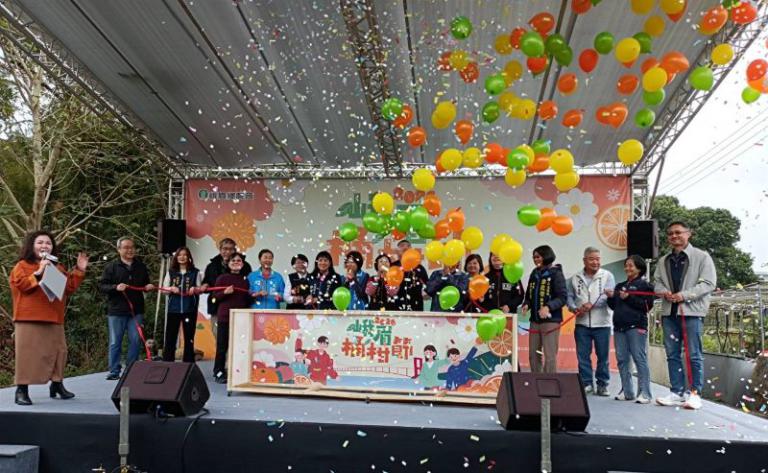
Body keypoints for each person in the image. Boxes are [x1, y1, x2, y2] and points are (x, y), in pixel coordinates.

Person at [10, 231, 88, 405]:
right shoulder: (22, 266)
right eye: (40, 242)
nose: (44, 246)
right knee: (27, 354)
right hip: (29, 317)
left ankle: (57, 384)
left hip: (54, 317)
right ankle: (22, 390)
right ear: (31, 246)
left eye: (48, 243)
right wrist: (39, 271)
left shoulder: (56, 267)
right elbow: (22, 286)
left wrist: (80, 270)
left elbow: (67, 288)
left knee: (59, 351)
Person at [654, 221, 716, 410]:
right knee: (672, 354)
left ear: (689, 234)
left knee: (693, 354)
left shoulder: (702, 257)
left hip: (692, 312)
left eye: (678, 232)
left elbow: (708, 283)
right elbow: (656, 282)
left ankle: (695, 393)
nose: (674, 236)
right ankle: (677, 392)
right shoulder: (664, 260)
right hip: (669, 312)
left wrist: (684, 295)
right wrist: (663, 292)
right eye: (670, 233)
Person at [99, 237, 155, 380]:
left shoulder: (141, 266)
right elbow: (102, 286)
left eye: (132, 247)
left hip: (136, 311)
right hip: (117, 311)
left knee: (136, 340)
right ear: (119, 250)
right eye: (126, 247)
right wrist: (115, 287)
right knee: (115, 341)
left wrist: (148, 287)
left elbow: (146, 284)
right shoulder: (111, 267)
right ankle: (114, 370)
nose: (130, 250)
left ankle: (131, 369)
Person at [606, 255, 656, 404]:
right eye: (626, 265)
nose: (627, 268)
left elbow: (646, 307)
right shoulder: (619, 285)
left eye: (631, 266)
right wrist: (610, 297)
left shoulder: (645, 285)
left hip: (637, 326)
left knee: (639, 358)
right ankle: (627, 391)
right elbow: (613, 306)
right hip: (619, 327)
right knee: (622, 359)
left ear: (639, 268)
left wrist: (628, 298)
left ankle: (645, 393)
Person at [567, 247, 615, 396]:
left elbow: (608, 296)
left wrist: (592, 304)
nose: (595, 262)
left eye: (598, 259)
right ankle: (586, 383)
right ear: (584, 260)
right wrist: (574, 308)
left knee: (603, 356)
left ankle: (602, 384)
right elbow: (569, 296)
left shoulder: (607, 276)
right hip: (582, 324)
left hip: (602, 323)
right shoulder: (575, 278)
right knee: (583, 356)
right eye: (592, 259)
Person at [521, 245, 567, 374]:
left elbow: (562, 297)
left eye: (538, 257)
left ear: (546, 256)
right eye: (534, 257)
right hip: (535, 321)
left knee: (549, 356)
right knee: (533, 354)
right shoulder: (534, 273)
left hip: (551, 321)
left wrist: (548, 307)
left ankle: (549, 382)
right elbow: (528, 296)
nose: (535, 259)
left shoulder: (556, 273)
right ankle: (536, 380)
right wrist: (526, 304)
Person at [211, 252, 252, 383]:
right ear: (228, 264)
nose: (236, 263)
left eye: (239, 261)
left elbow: (246, 300)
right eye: (233, 261)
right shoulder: (222, 278)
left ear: (243, 264)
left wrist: (254, 296)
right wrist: (224, 292)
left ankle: (236, 372)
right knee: (222, 346)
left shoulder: (245, 280)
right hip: (224, 317)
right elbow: (214, 298)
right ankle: (218, 372)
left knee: (239, 346)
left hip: (240, 318)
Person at [162, 247, 206, 363]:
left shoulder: (195, 272)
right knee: (170, 337)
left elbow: (200, 290)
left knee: (189, 338)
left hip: (190, 309)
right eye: (179, 255)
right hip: (173, 309)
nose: (182, 257)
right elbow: (164, 290)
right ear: (176, 257)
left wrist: (195, 289)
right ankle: (168, 363)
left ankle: (188, 363)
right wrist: (171, 288)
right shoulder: (171, 272)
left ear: (189, 257)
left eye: (185, 255)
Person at [202, 238, 253, 335]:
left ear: (235, 250)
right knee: (219, 336)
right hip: (217, 307)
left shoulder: (245, 266)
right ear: (220, 249)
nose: (228, 252)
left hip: (239, 308)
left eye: (231, 249)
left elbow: (249, 285)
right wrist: (205, 285)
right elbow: (207, 282)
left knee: (239, 336)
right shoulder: (212, 266)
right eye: (225, 249)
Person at [392, 240, 428, 311]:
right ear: (397, 251)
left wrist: (425, 292)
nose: (405, 247)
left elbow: (427, 286)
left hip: (416, 307)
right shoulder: (393, 266)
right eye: (402, 246)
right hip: (396, 306)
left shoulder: (420, 268)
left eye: (408, 246)